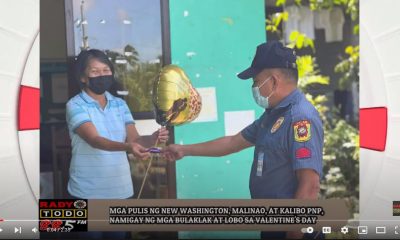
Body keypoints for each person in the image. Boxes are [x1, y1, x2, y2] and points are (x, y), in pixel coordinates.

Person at [163, 41, 323, 239]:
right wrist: (184, 149)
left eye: (256, 81)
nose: (254, 87)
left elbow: (310, 186)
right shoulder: (272, 115)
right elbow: (232, 143)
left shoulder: (300, 118)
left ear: (273, 81)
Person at [66, 49, 168, 199]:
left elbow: (134, 140)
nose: (102, 75)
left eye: (106, 70)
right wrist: (127, 147)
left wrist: (152, 138)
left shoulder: (120, 104)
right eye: (95, 71)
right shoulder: (75, 105)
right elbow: (94, 140)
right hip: (86, 191)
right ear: (83, 77)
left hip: (122, 189)